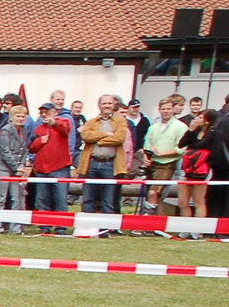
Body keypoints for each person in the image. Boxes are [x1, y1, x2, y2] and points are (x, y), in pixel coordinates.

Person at [74, 94, 129, 222]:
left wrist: (99, 141)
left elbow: (119, 138)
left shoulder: (120, 121)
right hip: (91, 163)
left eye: (109, 103)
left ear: (114, 105)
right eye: (104, 103)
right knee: (88, 198)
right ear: (99, 106)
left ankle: (106, 228)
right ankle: (86, 226)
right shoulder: (91, 122)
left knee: (108, 200)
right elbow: (86, 136)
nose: (107, 106)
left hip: (110, 165)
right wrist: (105, 134)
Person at [28, 103, 74, 222]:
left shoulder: (64, 122)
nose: (44, 115)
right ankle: (44, 225)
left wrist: (54, 123)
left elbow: (65, 130)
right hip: (41, 170)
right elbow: (31, 148)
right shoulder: (38, 129)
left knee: (60, 199)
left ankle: (61, 226)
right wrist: (39, 141)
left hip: (60, 168)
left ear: (54, 112)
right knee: (43, 199)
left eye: (47, 112)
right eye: (42, 112)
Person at [141, 96, 186, 216]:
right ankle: (158, 222)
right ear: (159, 110)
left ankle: (148, 220)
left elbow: (181, 148)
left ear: (173, 109)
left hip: (167, 164)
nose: (165, 111)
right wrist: (146, 158)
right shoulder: (153, 127)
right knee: (153, 195)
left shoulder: (180, 127)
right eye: (163, 109)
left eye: (168, 109)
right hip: (152, 163)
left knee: (153, 193)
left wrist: (161, 153)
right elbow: (147, 146)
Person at [0, 103, 31, 232]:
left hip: (17, 168)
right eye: (18, 116)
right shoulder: (5, 131)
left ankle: (16, 227)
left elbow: (25, 149)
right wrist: (16, 167)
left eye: (22, 116)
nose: (20, 119)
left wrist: (22, 165)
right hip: (2, 168)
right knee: (1, 198)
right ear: (11, 117)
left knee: (17, 197)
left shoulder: (24, 131)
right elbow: (5, 151)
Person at [175, 110, 214, 229]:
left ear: (207, 121)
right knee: (182, 202)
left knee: (198, 202)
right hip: (188, 169)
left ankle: (197, 229)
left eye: (200, 117)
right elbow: (181, 144)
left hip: (202, 171)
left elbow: (216, 153)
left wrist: (202, 159)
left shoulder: (214, 134)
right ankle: (185, 228)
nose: (197, 119)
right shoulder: (194, 131)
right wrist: (190, 130)